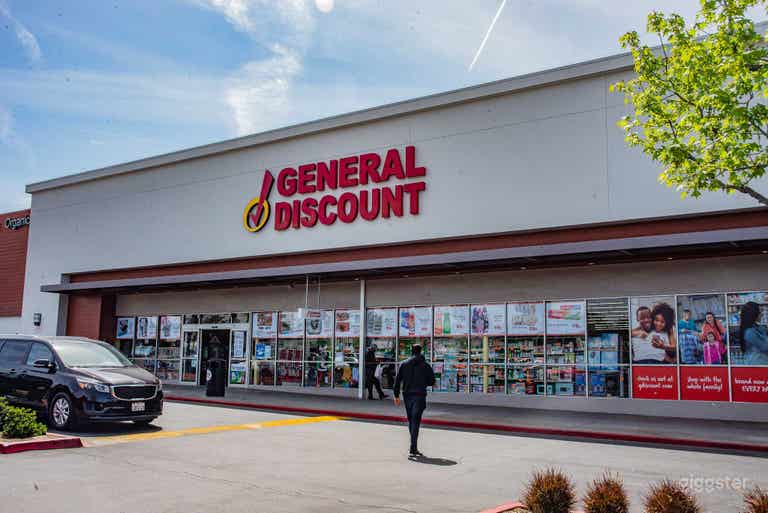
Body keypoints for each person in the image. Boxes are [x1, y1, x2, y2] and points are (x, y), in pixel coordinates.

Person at [393, 344, 435, 457]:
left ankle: (413, 446)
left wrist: (396, 396)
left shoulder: (404, 364)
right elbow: (431, 381)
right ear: (421, 351)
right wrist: (424, 382)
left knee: (411, 420)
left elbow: (397, 381)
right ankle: (413, 447)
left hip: (407, 396)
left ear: (411, 351)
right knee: (415, 420)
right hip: (420, 395)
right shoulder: (426, 365)